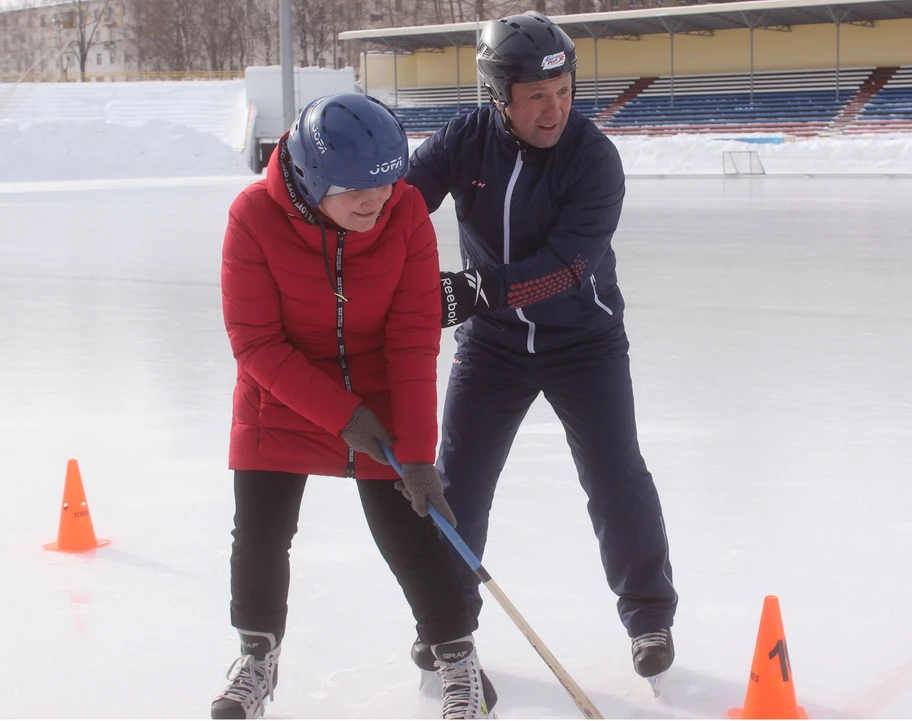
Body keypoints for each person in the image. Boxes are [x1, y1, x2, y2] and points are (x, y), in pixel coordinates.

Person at [405, 11, 679, 689]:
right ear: (500, 96)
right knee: (456, 484)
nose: (555, 109)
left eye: (564, 92)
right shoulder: (465, 140)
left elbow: (569, 265)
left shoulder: (593, 159)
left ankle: (649, 612)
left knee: (617, 476)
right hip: (493, 347)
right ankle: (446, 620)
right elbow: (402, 206)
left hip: (583, 340)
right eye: (536, 97)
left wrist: (472, 290)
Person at [212, 93, 497, 720]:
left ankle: (458, 660)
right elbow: (254, 341)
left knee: (412, 532)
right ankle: (256, 657)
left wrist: (419, 457)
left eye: (390, 181)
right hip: (283, 393)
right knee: (259, 534)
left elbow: (415, 338)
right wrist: (341, 415)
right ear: (313, 180)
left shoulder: (406, 213)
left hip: (380, 392)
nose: (378, 201)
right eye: (356, 191)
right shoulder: (253, 216)